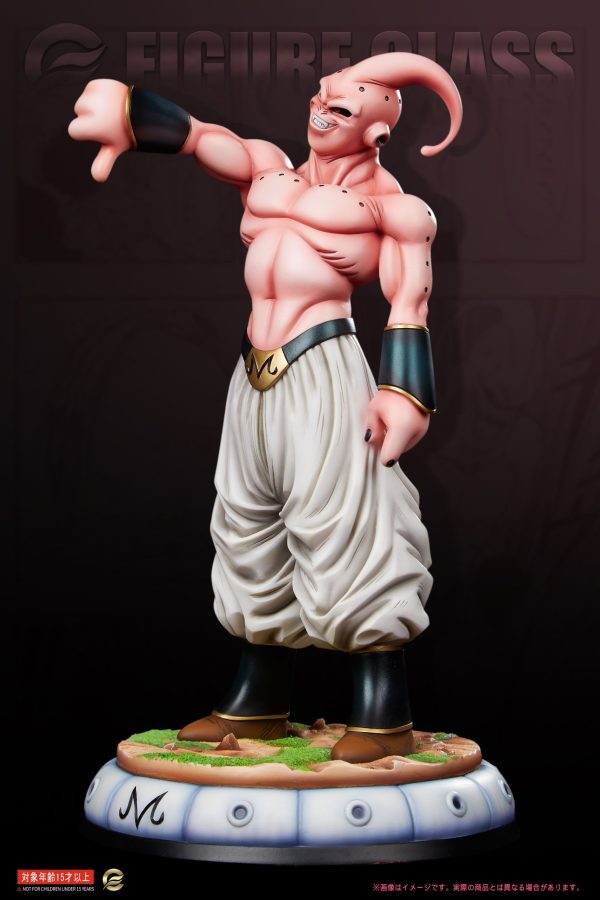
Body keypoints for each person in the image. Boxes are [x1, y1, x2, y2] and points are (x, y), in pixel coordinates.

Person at [68, 53, 462, 764]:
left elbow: (411, 300)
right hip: (253, 373)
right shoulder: (270, 170)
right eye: (320, 96)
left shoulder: (394, 209)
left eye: (341, 109)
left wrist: (405, 395)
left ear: (376, 133)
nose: (320, 112)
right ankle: (259, 697)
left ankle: (383, 707)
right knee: (247, 522)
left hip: (326, 368)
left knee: (348, 524)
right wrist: (131, 115)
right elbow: (202, 137)